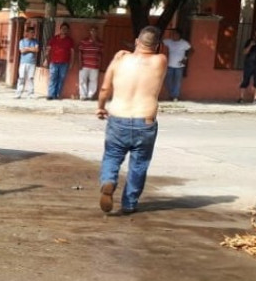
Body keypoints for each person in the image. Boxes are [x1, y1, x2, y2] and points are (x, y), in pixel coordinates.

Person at [96, 26, 167, 215]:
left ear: (137, 41)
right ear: (158, 45)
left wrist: (101, 107)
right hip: (145, 120)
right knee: (139, 163)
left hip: (118, 116)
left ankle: (108, 181)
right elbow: (155, 54)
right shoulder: (161, 60)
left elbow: (104, 89)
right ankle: (129, 203)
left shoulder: (119, 60)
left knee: (112, 155)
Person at [43, 22, 75, 100]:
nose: (64, 30)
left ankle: (57, 94)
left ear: (68, 30)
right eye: (63, 28)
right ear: (60, 29)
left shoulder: (70, 40)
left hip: (64, 63)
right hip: (54, 62)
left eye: (66, 29)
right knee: (53, 78)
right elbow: (48, 49)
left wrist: (71, 63)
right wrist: (45, 59)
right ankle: (50, 95)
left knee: (61, 78)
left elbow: (72, 52)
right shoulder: (54, 39)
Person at [162, 29, 192, 101]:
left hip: (179, 66)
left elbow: (192, 50)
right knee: (168, 81)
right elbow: (160, 41)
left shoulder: (184, 43)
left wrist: (185, 58)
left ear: (179, 35)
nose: (173, 36)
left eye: (174, 34)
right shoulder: (169, 41)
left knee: (177, 82)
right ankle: (172, 94)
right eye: (172, 34)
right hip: (170, 65)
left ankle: (175, 96)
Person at [76, 25, 104, 101]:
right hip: (84, 65)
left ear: (97, 32)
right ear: (90, 32)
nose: (93, 32)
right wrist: (80, 63)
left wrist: (100, 65)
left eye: (95, 31)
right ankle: (83, 95)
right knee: (82, 80)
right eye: (92, 31)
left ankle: (90, 95)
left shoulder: (100, 43)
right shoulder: (84, 41)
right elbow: (80, 53)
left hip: (95, 65)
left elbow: (100, 55)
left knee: (93, 81)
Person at [16, 26, 39, 98]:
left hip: (32, 62)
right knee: (21, 77)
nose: (32, 34)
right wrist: (31, 49)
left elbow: (36, 50)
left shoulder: (35, 41)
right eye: (31, 32)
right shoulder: (22, 41)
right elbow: (22, 51)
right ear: (27, 33)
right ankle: (18, 93)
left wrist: (27, 48)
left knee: (30, 78)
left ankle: (30, 93)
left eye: (33, 33)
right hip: (23, 62)